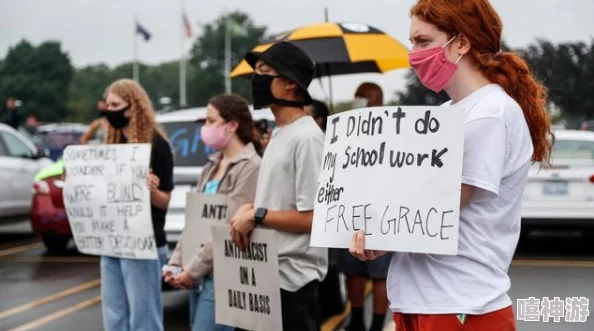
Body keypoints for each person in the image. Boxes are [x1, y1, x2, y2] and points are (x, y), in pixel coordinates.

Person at [350, 1, 553, 331]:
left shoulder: (489, 112)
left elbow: (444, 202)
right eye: (412, 42)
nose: (413, 54)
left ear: (461, 43)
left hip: (461, 304)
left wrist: (382, 237)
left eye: (423, 41)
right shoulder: (449, 113)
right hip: (425, 299)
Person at [230, 41, 328, 331]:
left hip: (292, 284)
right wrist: (252, 209)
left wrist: (257, 215)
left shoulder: (307, 138)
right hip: (266, 276)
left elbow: (316, 218)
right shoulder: (281, 133)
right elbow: (280, 200)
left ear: (289, 85)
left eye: (264, 72)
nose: (255, 80)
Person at [163, 94, 261, 331]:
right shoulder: (210, 166)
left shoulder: (251, 166)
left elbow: (227, 227)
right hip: (200, 272)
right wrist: (175, 263)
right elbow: (195, 221)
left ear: (232, 125)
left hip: (223, 273)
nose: (204, 129)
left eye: (210, 121)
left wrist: (192, 270)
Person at [100, 79, 174, 331]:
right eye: (107, 104)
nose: (109, 109)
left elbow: (165, 201)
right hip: (113, 240)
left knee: (144, 316)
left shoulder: (157, 145)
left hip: (144, 242)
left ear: (132, 107)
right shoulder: (111, 145)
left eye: (115, 105)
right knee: (114, 315)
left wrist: (152, 190)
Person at [340, 82, 392, 331]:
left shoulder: (393, 130)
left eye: (367, 99)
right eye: (359, 99)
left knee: (380, 273)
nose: (362, 103)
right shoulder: (348, 131)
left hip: (382, 213)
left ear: (379, 101)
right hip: (352, 211)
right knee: (353, 270)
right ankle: (357, 319)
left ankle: (378, 323)